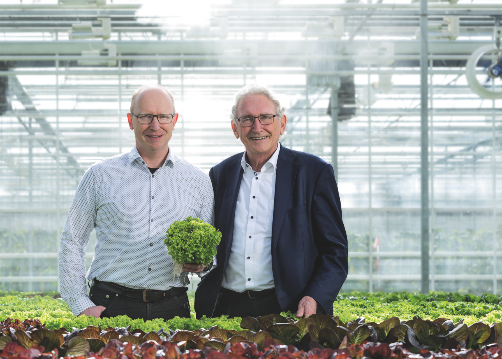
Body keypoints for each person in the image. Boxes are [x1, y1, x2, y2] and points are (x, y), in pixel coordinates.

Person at [59, 85, 213, 321]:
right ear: (131, 120)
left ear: (174, 121)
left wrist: (204, 264)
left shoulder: (198, 182)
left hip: (172, 309)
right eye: (145, 116)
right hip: (109, 306)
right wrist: (80, 303)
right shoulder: (100, 175)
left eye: (163, 116)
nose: (155, 125)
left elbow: (213, 254)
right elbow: (73, 239)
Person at [195, 84, 348, 319]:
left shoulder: (314, 172)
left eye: (266, 117)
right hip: (227, 308)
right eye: (246, 119)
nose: (257, 127)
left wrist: (315, 296)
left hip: (288, 307)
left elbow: (335, 251)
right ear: (235, 129)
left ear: (282, 123)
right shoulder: (220, 174)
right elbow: (214, 242)